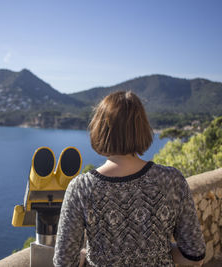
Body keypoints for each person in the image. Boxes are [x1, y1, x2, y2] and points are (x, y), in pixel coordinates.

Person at [53, 91, 206, 267]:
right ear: (141, 129)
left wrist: (85, 257)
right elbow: (195, 255)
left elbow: (63, 262)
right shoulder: (171, 180)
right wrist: (157, 253)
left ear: (100, 129)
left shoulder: (81, 188)